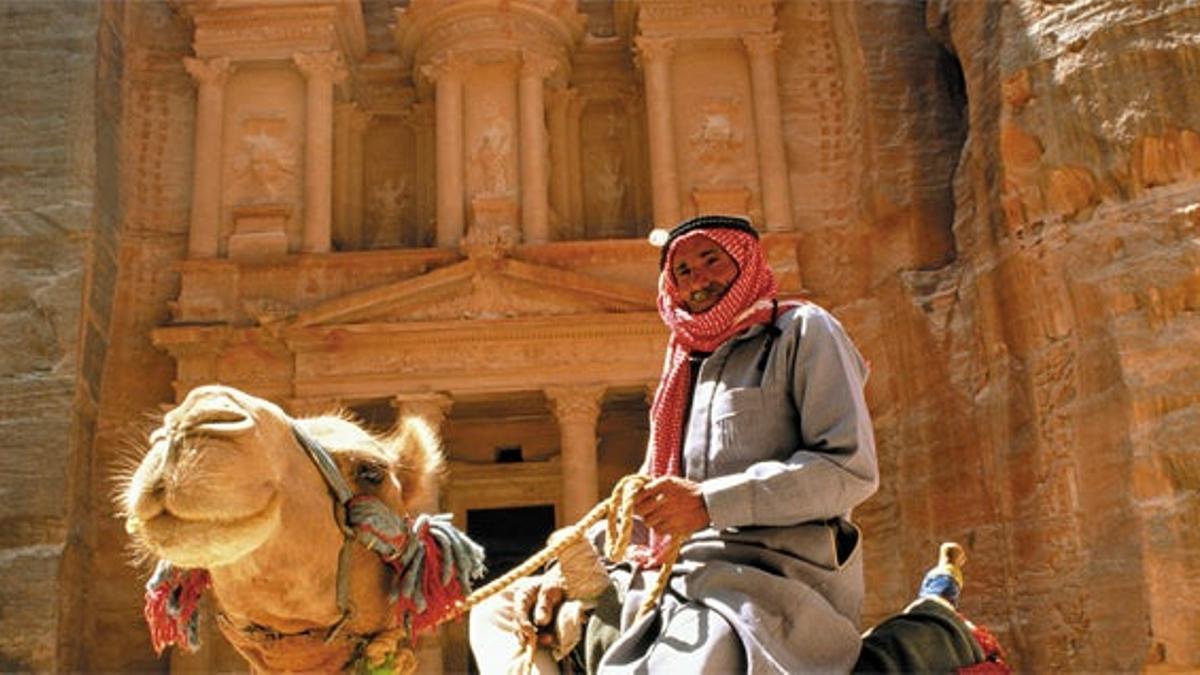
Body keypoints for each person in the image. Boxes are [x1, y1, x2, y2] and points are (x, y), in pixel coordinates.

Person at [469, 214, 879, 673]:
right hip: (672, 575)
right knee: (496, 613)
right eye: (683, 271)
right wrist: (564, 570)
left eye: (711, 260)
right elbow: (649, 507)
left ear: (744, 261)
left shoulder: (804, 330)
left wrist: (709, 504)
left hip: (767, 582)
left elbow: (848, 470)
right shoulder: (682, 366)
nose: (698, 279)